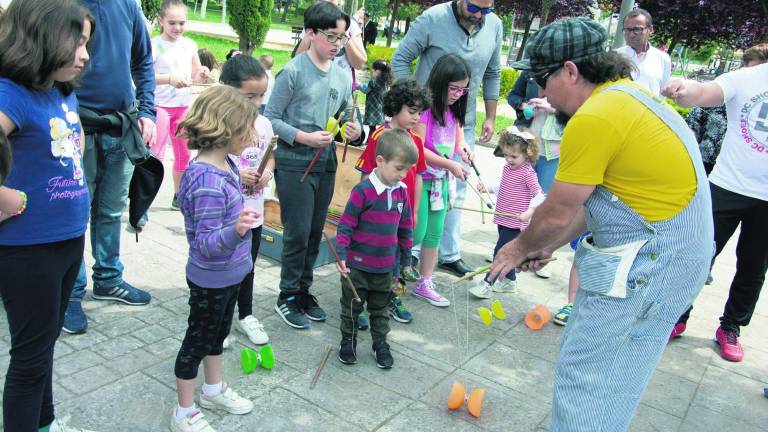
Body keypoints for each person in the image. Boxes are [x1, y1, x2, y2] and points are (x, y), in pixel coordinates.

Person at [490, 18, 712, 430]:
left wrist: (518, 247)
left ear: (571, 70)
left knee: (589, 378)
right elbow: (600, 201)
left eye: (543, 78)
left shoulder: (596, 117)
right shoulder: (625, 97)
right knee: (616, 376)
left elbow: (557, 211)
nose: (541, 92)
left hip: (653, 263)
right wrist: (549, 245)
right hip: (671, 257)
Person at [0, 1, 95, 430]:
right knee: (30, 358)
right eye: (75, 42)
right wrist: (7, 199)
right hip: (28, 249)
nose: (84, 55)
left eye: (86, 43)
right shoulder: (10, 93)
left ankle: (45, 422)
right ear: (39, 36)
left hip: (66, 241)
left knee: (44, 346)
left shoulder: (59, 90)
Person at [662, 43, 768, 362]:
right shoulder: (747, 77)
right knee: (698, 255)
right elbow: (705, 91)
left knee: (753, 266)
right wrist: (685, 90)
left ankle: (731, 326)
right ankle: (677, 315)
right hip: (727, 185)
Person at [265, 1, 361, 329]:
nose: (337, 44)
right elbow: (269, 120)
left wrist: (354, 127)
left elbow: (348, 111)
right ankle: (287, 295)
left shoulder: (341, 74)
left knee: (316, 232)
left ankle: (303, 290)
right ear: (310, 33)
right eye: (330, 36)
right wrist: (303, 137)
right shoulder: (292, 72)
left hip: (326, 163)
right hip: (294, 163)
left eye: (343, 38)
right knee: (297, 232)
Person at [63, 0, 157, 335]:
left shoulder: (128, 4)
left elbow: (143, 61)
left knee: (112, 210)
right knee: (75, 211)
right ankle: (70, 292)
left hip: (120, 126)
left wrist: (147, 110)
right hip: (75, 127)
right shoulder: (65, 5)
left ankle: (108, 278)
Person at [391, 0, 502, 277]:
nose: (480, 16)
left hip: (457, 118)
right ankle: (407, 256)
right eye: (475, 8)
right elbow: (400, 59)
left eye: (487, 11)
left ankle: (446, 254)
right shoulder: (433, 18)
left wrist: (489, 117)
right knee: (418, 206)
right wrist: (413, 103)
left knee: (454, 192)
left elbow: (493, 73)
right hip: (426, 117)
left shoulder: (495, 25)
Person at [172, 85, 260, 432]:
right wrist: (236, 230)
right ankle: (183, 411)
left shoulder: (226, 164)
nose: (253, 136)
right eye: (248, 128)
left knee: (218, 334)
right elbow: (206, 243)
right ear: (228, 130)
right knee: (197, 341)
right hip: (212, 276)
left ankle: (212, 389)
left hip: (229, 275)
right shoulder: (208, 180)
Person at [336, 129, 417, 369]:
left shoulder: (402, 192)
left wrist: (405, 261)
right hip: (357, 266)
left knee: (380, 310)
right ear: (380, 161)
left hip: (386, 267)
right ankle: (347, 341)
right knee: (352, 307)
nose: (403, 175)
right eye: (399, 168)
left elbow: (405, 229)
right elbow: (346, 226)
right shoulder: (363, 191)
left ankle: (380, 343)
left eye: (407, 170)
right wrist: (341, 256)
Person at [356, 78, 431, 324]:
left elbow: (418, 176)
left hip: (402, 214)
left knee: (399, 258)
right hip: (377, 214)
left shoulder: (416, 142)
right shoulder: (380, 137)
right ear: (396, 106)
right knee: (372, 256)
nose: (416, 117)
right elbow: (366, 173)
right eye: (411, 111)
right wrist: (363, 210)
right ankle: (361, 302)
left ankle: (392, 298)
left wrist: (416, 210)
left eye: (419, 113)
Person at [219, 53, 273, 347]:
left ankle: (246, 315)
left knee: (248, 266)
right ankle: (222, 320)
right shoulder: (219, 125)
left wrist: (268, 174)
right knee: (226, 268)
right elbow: (208, 166)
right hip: (226, 217)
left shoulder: (263, 124)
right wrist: (238, 177)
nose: (256, 103)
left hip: (254, 212)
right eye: (249, 96)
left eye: (261, 95)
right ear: (227, 90)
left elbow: (271, 156)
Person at [411, 54, 471, 308]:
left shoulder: (454, 112)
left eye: (463, 89)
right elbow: (418, 149)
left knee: (434, 234)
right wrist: (450, 164)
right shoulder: (425, 111)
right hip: (420, 181)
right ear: (441, 82)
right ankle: (392, 273)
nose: (458, 93)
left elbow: (458, 141)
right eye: (454, 88)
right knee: (417, 231)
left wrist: (465, 149)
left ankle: (424, 281)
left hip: (440, 184)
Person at [469, 127, 544, 298]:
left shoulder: (528, 173)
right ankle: (510, 282)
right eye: (506, 155)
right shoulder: (508, 169)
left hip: (516, 221)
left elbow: (539, 195)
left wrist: (529, 211)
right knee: (506, 250)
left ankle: (487, 283)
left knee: (500, 252)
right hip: (503, 217)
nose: (509, 160)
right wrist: (487, 188)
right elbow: (504, 187)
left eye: (514, 156)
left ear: (527, 154)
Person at [151, 0, 210, 210]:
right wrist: (168, 79)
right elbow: (145, 76)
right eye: (172, 23)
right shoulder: (154, 44)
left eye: (182, 23)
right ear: (161, 21)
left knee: (184, 154)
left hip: (183, 107)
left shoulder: (189, 45)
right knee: (155, 155)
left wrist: (202, 73)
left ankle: (179, 195)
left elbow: (195, 72)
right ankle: (144, 201)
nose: (177, 28)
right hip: (159, 106)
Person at [616, 8, 671, 97]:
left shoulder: (663, 58)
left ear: (650, 29)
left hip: (649, 110)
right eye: (627, 30)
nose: (631, 35)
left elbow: (662, 91)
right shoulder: (615, 56)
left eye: (637, 29)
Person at [360, 60, 392, 133]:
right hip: (380, 107)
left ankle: (370, 141)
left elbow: (366, 91)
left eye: (373, 71)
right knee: (376, 127)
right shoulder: (386, 82)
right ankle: (373, 140)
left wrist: (358, 86)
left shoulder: (373, 82)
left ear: (378, 71)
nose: (372, 72)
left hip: (372, 107)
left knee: (372, 127)